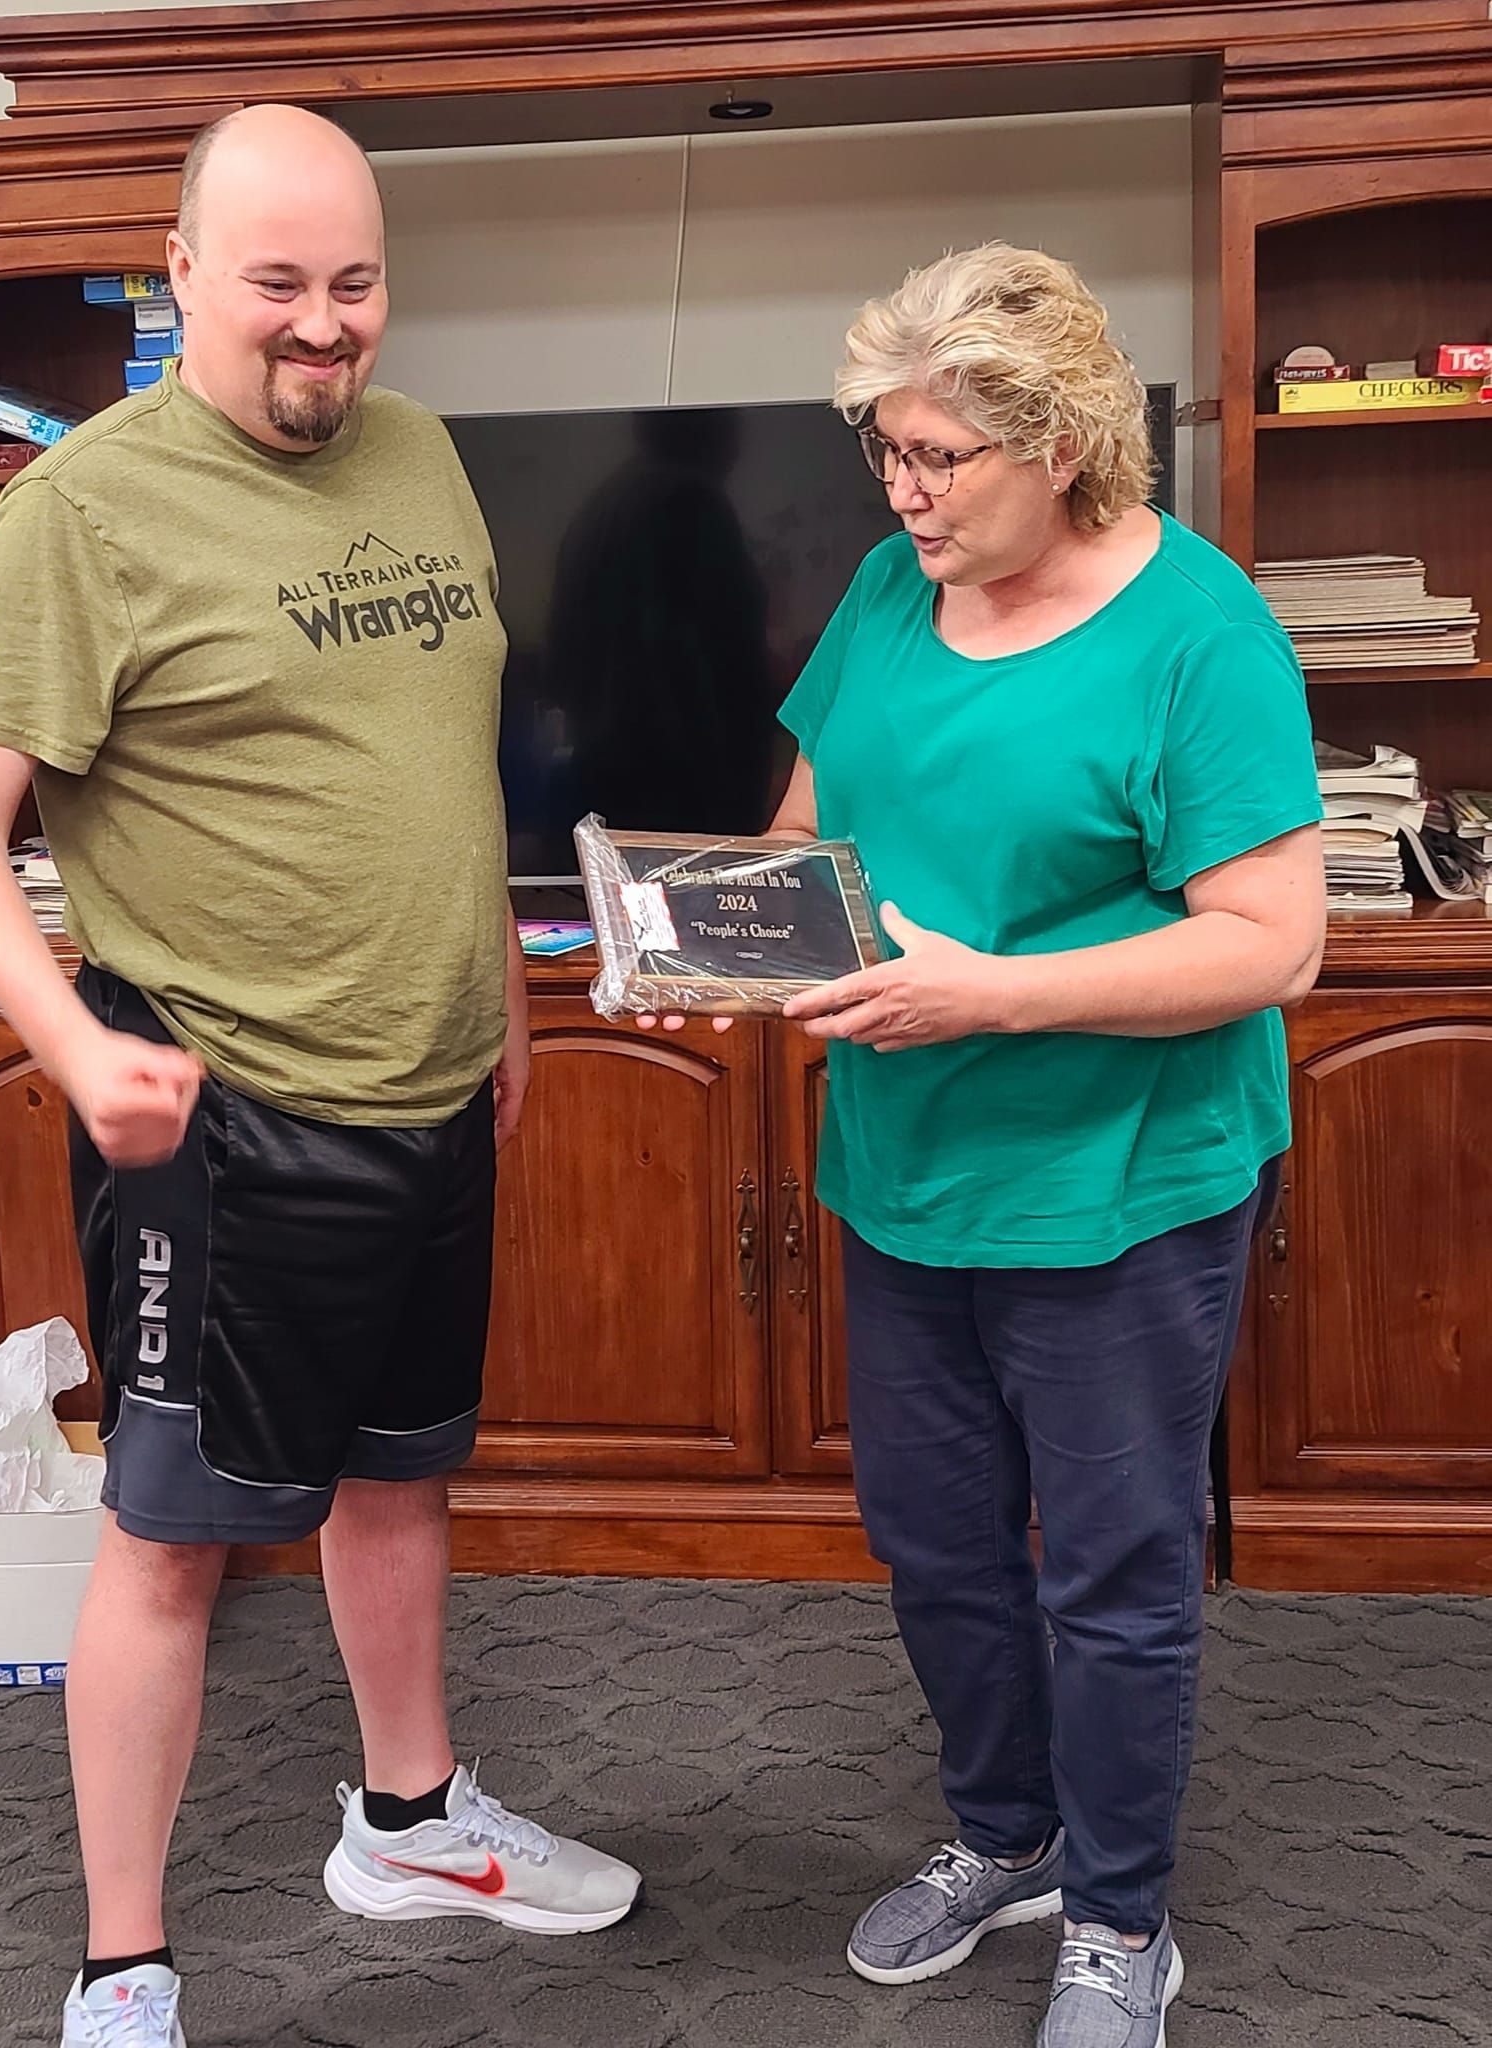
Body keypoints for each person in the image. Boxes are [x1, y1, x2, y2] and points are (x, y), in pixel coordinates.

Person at [0, 104, 639, 2048]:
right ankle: (122, 1966)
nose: (324, 325)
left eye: (356, 283)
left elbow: (440, 752)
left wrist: (497, 989)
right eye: (276, 284)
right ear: (180, 278)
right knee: (171, 1538)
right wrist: (74, 1044)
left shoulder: (418, 450)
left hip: (431, 1087)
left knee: (399, 1474)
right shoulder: (85, 512)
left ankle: (410, 1821)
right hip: (220, 1119)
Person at [654, 242, 1324, 2046]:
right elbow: (806, 839)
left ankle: (1118, 1920)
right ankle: (1008, 1834)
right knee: (937, 1544)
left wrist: (992, 996)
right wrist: (695, 945)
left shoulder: (1197, 631)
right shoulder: (892, 589)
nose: (901, 491)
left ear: (1063, 444)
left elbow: (1273, 944)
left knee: (1109, 1571)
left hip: (1119, 1188)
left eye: (938, 457)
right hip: (906, 1172)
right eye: (886, 450)